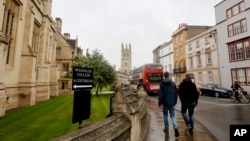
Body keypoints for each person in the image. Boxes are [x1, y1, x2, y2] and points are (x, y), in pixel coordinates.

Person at [158, 71, 179, 137]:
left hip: (165, 102)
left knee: (165, 115)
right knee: (173, 115)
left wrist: (160, 103)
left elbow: (161, 94)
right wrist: (175, 101)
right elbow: (176, 93)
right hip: (172, 102)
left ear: (164, 76)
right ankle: (175, 127)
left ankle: (166, 129)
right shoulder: (173, 83)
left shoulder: (162, 84)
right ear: (169, 75)